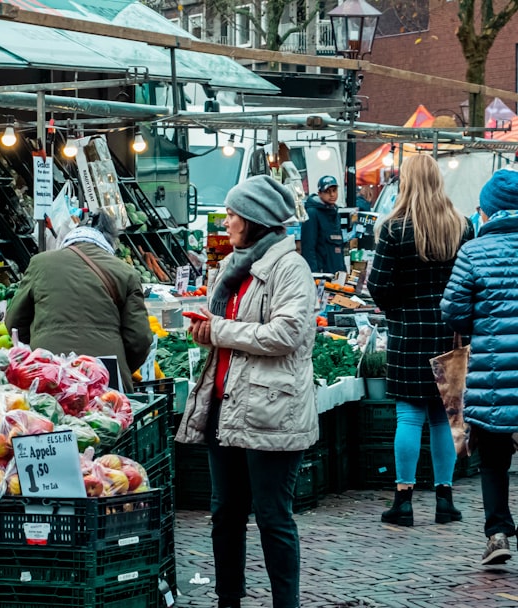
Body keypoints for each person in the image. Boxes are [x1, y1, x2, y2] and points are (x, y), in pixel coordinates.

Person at [175, 175, 318, 608]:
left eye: (233, 214)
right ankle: (228, 600)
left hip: (271, 411)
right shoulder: (232, 267)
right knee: (225, 514)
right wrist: (207, 331)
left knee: (273, 517)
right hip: (226, 406)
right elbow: (231, 332)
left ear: (255, 219)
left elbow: (286, 333)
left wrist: (220, 329)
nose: (227, 222)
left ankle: (285, 604)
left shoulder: (289, 267)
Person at [366, 154, 472, 527]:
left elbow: (378, 284)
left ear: (406, 182)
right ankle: (445, 500)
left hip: (407, 331)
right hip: (449, 330)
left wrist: (398, 309)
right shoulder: (461, 226)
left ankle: (404, 501)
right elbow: (469, 282)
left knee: (409, 416)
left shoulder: (393, 229)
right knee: (444, 417)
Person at [442, 167, 518, 565]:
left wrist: (483, 323)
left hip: (492, 375)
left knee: (493, 458)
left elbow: (453, 310)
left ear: (487, 211)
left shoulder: (474, 252)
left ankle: (497, 533)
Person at [5, 211, 150, 391]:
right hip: (107, 375)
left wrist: (40, 346)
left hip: (50, 371)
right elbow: (140, 339)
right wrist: (121, 365)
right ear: (110, 242)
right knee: (107, 408)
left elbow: (14, 323)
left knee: (48, 407)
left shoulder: (40, 263)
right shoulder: (127, 273)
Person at [301, 175, 346, 274]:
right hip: (322, 275)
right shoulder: (312, 213)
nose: (332, 194)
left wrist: (343, 271)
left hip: (337, 274)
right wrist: (314, 275)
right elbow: (308, 248)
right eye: (327, 191)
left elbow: (339, 247)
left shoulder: (335, 212)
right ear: (319, 193)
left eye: (334, 190)